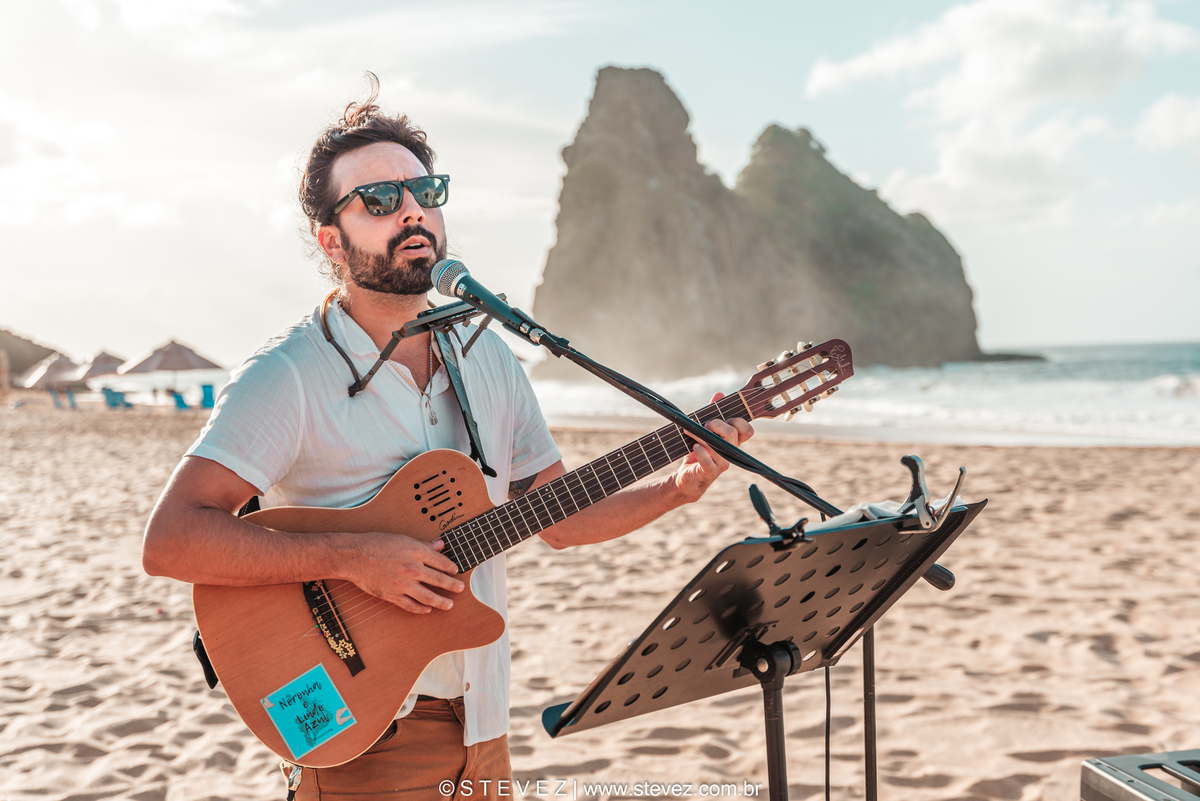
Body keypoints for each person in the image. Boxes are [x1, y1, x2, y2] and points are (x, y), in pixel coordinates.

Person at [142, 79, 753, 800]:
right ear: (330, 239)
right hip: (362, 731)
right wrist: (353, 558)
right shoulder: (289, 375)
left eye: (424, 191)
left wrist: (680, 486)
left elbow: (555, 514)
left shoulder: (489, 356)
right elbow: (172, 540)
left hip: (484, 728)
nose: (411, 211)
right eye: (379, 200)